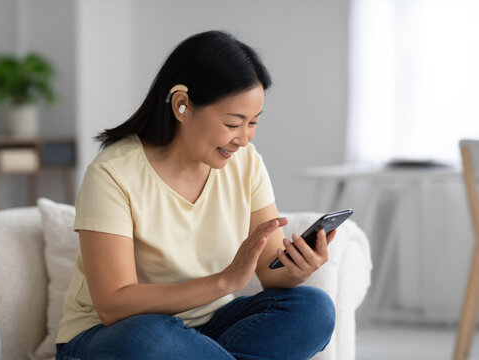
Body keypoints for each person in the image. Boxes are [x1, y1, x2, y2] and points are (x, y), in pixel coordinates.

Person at [55, 30, 336, 360]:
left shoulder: (246, 163)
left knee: (312, 309)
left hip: (206, 330)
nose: (243, 139)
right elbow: (114, 305)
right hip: (112, 336)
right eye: (233, 123)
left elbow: (269, 271)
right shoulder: (113, 173)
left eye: (253, 123)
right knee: (148, 339)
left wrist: (298, 268)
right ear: (181, 105)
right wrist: (224, 282)